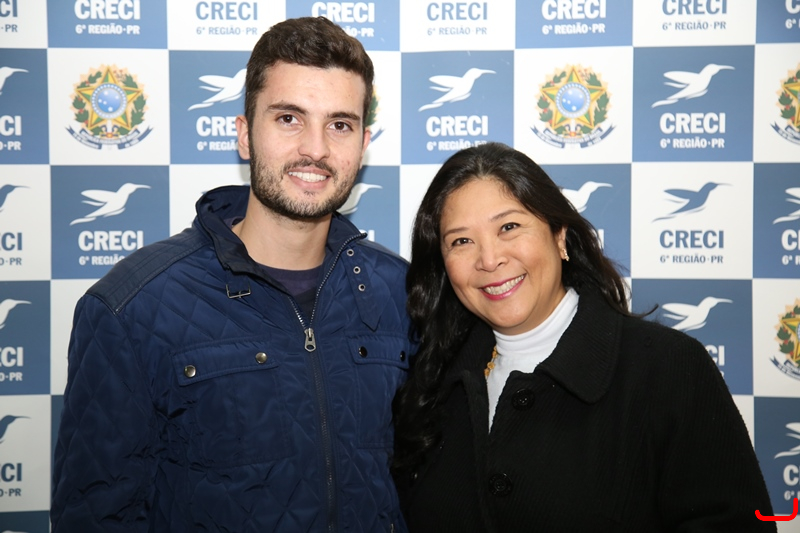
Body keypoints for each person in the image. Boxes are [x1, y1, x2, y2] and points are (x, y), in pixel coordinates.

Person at [51, 17, 413, 532]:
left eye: (340, 124)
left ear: (362, 143)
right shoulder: (132, 309)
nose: (316, 148)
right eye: (289, 118)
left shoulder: (401, 293)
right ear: (244, 135)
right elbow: (96, 517)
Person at [392, 142, 776, 532]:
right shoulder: (431, 382)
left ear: (560, 236)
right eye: (461, 241)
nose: (489, 260)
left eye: (509, 227)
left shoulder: (668, 368)